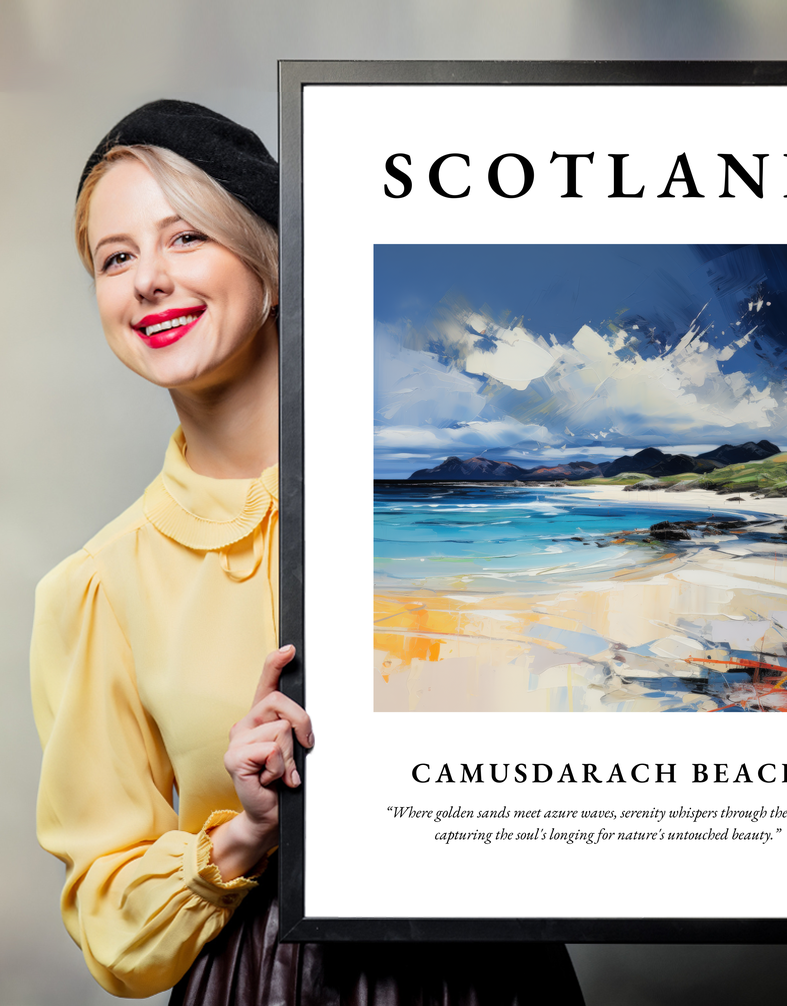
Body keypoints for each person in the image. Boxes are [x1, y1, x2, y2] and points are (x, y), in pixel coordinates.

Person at [30, 100, 586, 1004]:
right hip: (262, 982)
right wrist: (245, 832)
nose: (148, 281)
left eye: (186, 238)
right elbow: (110, 923)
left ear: (273, 263)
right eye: (116, 257)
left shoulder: (444, 511)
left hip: (493, 973)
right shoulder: (97, 587)